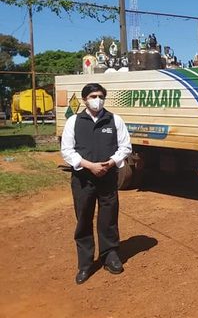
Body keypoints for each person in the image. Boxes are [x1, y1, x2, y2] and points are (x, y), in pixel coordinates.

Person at [61, 83, 132, 285]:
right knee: (83, 218)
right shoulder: (74, 121)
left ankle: (110, 255)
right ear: (84, 99)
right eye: (93, 96)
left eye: (100, 96)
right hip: (83, 179)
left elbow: (125, 147)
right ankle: (85, 263)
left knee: (109, 217)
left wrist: (110, 163)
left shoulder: (114, 120)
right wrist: (89, 165)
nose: (97, 99)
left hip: (108, 177)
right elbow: (67, 150)